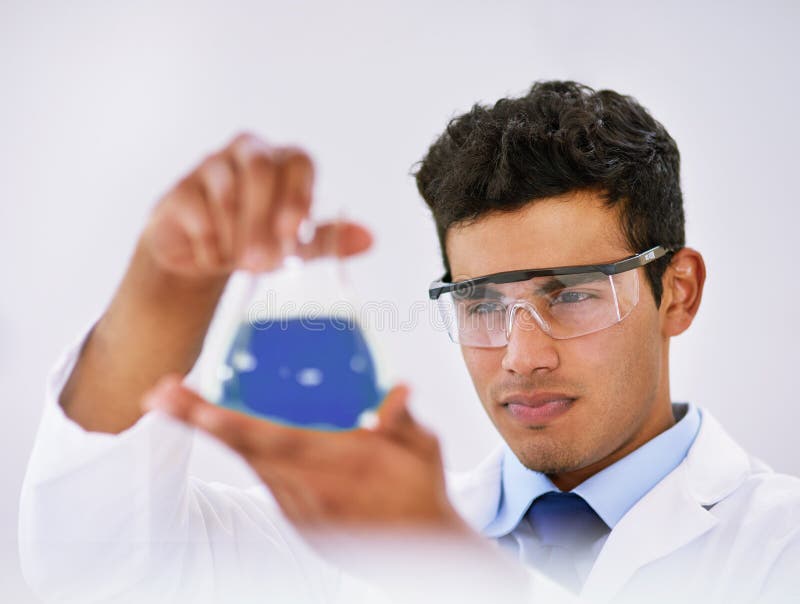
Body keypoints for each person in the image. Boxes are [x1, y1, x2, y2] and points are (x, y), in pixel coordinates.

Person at [19, 81, 800, 603]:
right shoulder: (363, 536)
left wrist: (441, 563)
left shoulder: (778, 546)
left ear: (680, 293)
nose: (522, 357)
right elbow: (95, 569)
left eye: (571, 295)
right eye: (482, 303)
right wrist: (169, 281)